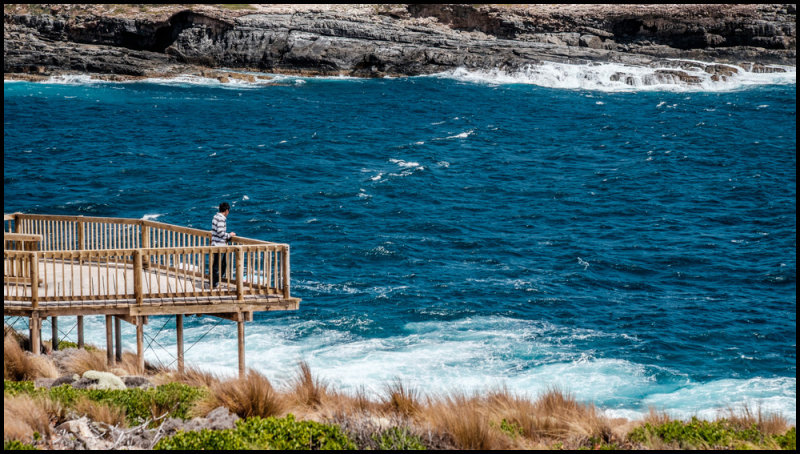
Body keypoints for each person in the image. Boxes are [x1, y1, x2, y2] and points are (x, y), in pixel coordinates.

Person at [211, 202, 236, 287]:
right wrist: (230, 235)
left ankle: (214, 282)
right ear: (226, 210)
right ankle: (215, 283)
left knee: (216, 265)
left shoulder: (215, 216)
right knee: (220, 265)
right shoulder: (221, 218)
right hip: (219, 245)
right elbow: (220, 232)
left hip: (215, 243)